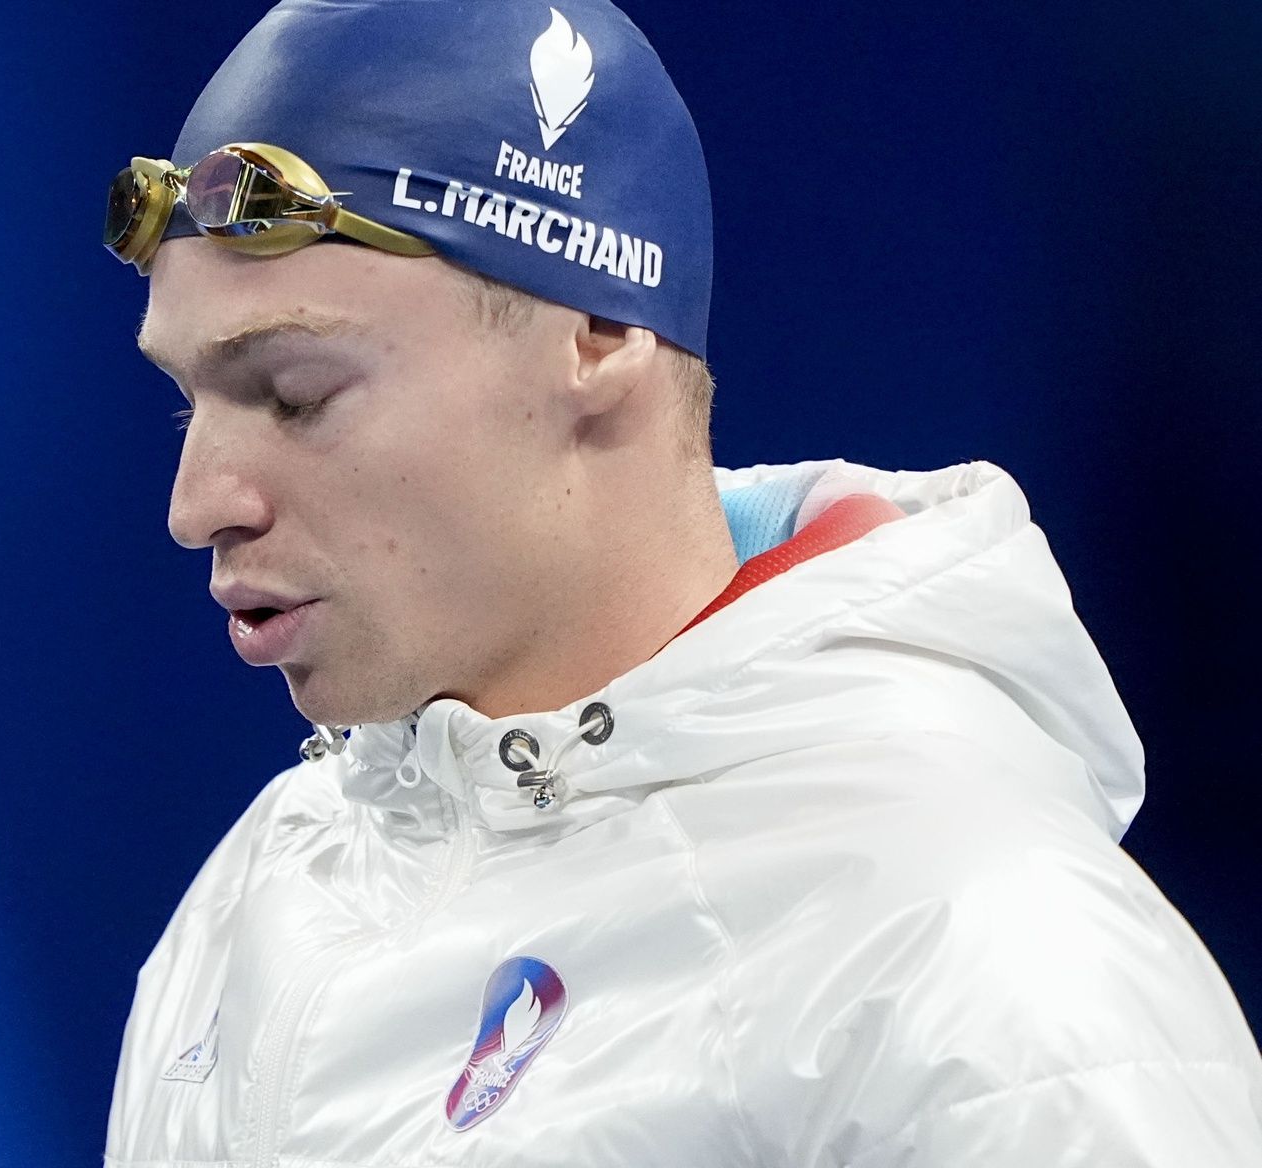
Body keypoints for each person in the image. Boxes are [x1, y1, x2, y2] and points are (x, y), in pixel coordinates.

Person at [98, 0, 1262, 1162]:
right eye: (187, 400)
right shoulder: (269, 888)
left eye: (297, 394)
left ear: (599, 332)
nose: (198, 504)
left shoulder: (970, 950)